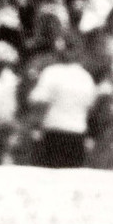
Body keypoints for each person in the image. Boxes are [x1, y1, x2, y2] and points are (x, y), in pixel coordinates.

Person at [27, 40, 98, 168]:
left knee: (49, 176)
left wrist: (35, 127)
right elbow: (92, 108)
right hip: (77, 135)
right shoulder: (86, 77)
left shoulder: (51, 72)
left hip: (54, 133)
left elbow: (38, 101)